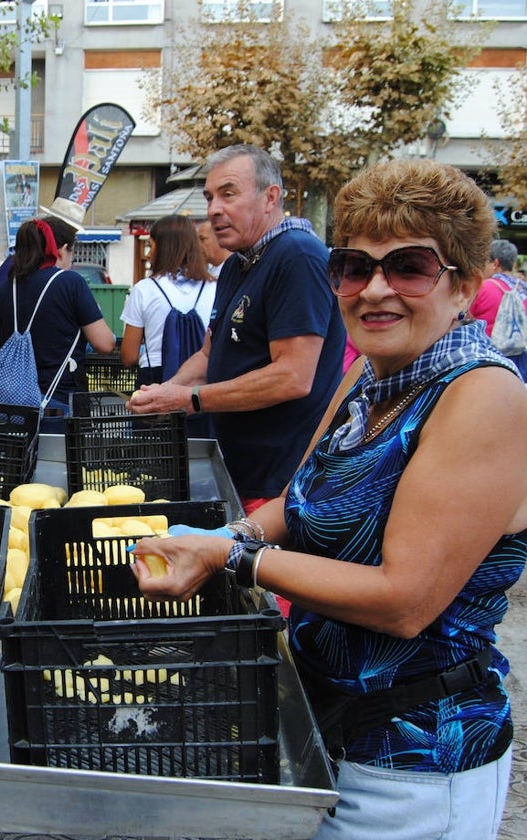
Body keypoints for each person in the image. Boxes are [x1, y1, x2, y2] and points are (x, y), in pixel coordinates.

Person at [133, 159, 526, 840]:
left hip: (413, 763)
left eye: (408, 267)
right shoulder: (367, 379)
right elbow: (297, 499)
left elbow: (405, 600)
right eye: (353, 268)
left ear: (462, 285)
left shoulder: (483, 396)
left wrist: (233, 559)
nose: (375, 290)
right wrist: (231, 534)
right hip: (326, 729)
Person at [128, 144, 345, 513]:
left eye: (228, 194)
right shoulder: (234, 267)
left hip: (282, 481)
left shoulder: (298, 256)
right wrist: (166, 392)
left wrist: (190, 399)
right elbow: (209, 354)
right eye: (210, 197)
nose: (214, 209)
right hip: (239, 470)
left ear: (270, 197)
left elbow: (293, 376)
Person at [0, 213, 116, 432]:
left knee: (16, 464)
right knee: (57, 465)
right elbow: (105, 343)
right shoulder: (70, 283)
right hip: (55, 403)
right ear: (61, 249)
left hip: (8, 406)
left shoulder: (4, 288)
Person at [120, 214, 214, 437]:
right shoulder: (215, 287)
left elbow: (129, 356)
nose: (148, 253)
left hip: (155, 378)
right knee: (200, 452)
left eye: (151, 246)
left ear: (164, 248)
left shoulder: (144, 289)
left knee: (152, 458)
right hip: (203, 382)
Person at [470, 239, 527, 378]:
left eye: (484, 262)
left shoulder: (483, 287)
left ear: (495, 263)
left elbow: (465, 319)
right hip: (521, 358)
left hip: (488, 358)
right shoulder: (523, 288)